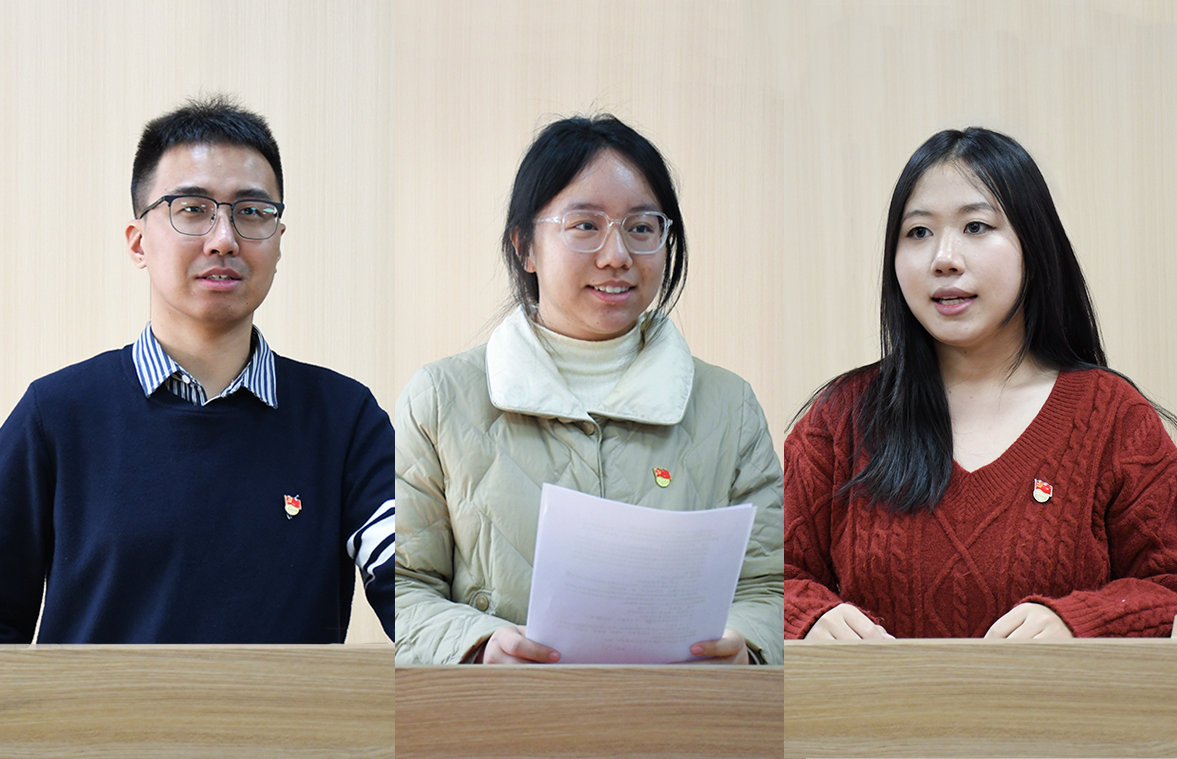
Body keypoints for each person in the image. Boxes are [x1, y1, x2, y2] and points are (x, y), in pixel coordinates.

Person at [0, 96, 396, 643]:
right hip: (98, 707)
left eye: (252, 212)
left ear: (279, 242)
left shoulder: (344, 419)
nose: (224, 239)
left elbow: (408, 585)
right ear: (138, 243)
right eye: (191, 209)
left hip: (287, 707)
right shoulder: (56, 415)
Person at [395, 115, 784, 665]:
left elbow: (770, 586)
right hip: (503, 714)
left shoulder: (729, 407)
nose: (617, 255)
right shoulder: (440, 400)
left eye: (641, 228)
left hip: (680, 712)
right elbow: (403, 586)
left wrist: (746, 646)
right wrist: (478, 646)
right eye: (585, 225)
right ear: (525, 246)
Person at [782, 127, 1177, 640]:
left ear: (1034, 246)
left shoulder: (1113, 416)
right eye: (918, 232)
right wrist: (808, 617)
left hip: (1052, 698)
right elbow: (766, 579)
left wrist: (1083, 622)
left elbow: (1166, 585)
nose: (943, 258)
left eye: (976, 226)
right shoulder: (842, 417)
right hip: (875, 698)